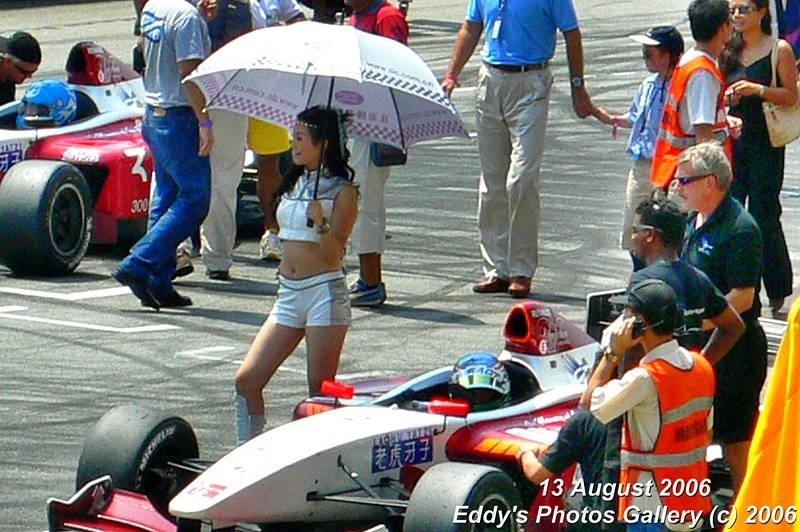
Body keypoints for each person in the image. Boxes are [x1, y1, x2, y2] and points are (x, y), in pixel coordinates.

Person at [442, 0, 593, 299]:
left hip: (531, 80)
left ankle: (521, 268)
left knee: (521, 179)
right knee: (492, 181)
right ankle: (498, 269)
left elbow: (571, 33)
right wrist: (451, 74)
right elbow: (471, 27)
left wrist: (578, 86)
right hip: (491, 80)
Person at [234, 106, 358, 444]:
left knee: (319, 394)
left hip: (324, 294)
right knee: (247, 380)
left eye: (301, 138)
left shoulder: (344, 191)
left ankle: (323, 458)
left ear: (323, 143)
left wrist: (321, 223)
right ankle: (247, 452)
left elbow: (334, 254)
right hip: (288, 294)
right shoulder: (296, 181)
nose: (293, 143)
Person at [587, 279, 715, 532]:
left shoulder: (645, 378)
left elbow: (591, 402)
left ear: (639, 325)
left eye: (626, 315)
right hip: (690, 502)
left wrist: (613, 352)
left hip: (652, 506)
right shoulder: (702, 366)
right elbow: (705, 432)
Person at [677, 142, 767, 495]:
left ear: (711, 181)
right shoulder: (691, 221)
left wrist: (697, 321)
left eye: (685, 181)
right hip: (695, 345)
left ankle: (749, 510)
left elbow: (743, 297)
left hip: (737, 349)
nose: (678, 187)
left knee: (735, 441)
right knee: (691, 434)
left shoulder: (741, 229)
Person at [112, 0, 215, 309]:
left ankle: (158, 279)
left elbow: (146, 51)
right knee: (196, 198)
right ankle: (140, 261)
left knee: (167, 195)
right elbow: (189, 73)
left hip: (155, 112)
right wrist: (205, 121)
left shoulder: (154, 7)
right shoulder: (185, 16)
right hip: (179, 116)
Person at [720, 0, 798, 317]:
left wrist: (758, 89)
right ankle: (740, 290)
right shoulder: (727, 51)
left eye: (744, 9)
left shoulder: (779, 49)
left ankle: (777, 288)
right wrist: (727, 98)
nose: (738, 16)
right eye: (733, 10)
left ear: (762, 12)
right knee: (732, 213)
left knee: (764, 215)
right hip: (733, 144)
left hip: (766, 144)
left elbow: (791, 95)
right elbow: (715, 93)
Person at [591, 26, 684, 271]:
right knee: (633, 225)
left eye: (649, 52)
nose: (645, 56)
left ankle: (668, 276)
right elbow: (635, 117)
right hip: (643, 164)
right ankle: (639, 273)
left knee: (667, 228)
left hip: (670, 167)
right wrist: (607, 117)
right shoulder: (648, 85)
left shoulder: (682, 85)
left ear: (667, 55)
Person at [344, 0, 409, 307]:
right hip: (352, 120)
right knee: (354, 202)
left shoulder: (387, 17)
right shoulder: (356, 16)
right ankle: (363, 277)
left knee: (367, 205)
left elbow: (396, 71)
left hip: (374, 125)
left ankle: (371, 281)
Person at [650, 0, 733, 192]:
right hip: (691, 181)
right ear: (723, 28)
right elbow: (703, 134)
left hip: (675, 170)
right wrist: (715, 184)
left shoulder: (690, 59)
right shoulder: (703, 73)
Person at [249, 0, 306, 263]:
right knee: (219, 169)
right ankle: (209, 239)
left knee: (269, 164)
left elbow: (299, 20)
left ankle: (271, 231)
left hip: (266, 89)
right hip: (226, 86)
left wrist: (285, 38)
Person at [516, 409, 608, 527]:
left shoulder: (585, 420)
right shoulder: (631, 418)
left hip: (595, 518)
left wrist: (526, 453)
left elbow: (536, 473)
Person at [0, 32, 41, 106]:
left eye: (32, 72)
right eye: (24, 72)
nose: (29, 76)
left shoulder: (9, 77)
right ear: (7, 62)